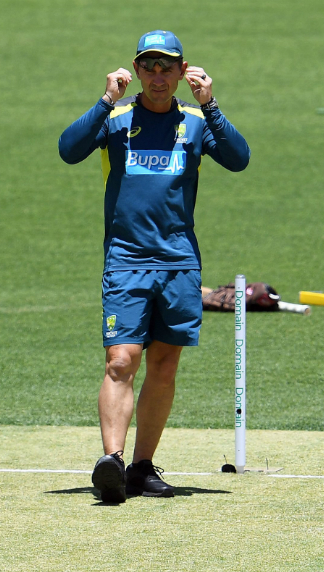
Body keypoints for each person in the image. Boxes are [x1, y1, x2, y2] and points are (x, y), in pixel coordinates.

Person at [58, 30, 250, 504]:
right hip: (126, 260)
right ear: (136, 69)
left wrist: (211, 104)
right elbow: (69, 149)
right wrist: (106, 100)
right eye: (149, 66)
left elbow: (239, 159)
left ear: (182, 72)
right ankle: (112, 461)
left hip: (179, 263)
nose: (158, 75)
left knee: (164, 365)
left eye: (167, 67)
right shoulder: (116, 119)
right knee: (121, 360)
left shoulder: (196, 121)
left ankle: (142, 468)